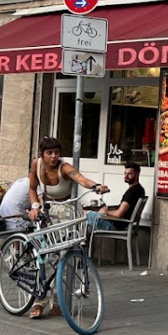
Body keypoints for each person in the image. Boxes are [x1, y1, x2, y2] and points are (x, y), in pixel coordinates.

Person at [26, 136, 109, 319]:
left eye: (57, 152)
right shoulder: (36, 165)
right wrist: (34, 207)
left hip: (66, 213)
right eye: (50, 153)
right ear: (42, 155)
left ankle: (57, 301)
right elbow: (32, 188)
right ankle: (40, 301)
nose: (54, 156)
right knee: (44, 257)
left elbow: (80, 178)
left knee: (63, 258)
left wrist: (96, 186)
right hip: (46, 210)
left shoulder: (64, 167)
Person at [87, 162, 146, 231]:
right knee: (89, 216)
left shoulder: (132, 192)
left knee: (85, 214)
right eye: (125, 173)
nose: (126, 176)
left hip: (116, 225)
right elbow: (123, 208)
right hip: (123, 224)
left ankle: (83, 240)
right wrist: (109, 208)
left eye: (129, 174)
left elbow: (118, 214)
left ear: (137, 174)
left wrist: (106, 212)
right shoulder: (140, 189)